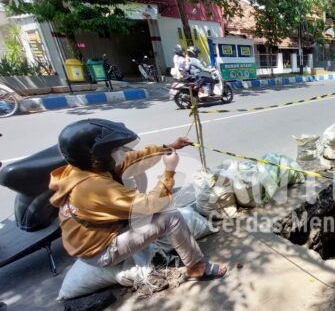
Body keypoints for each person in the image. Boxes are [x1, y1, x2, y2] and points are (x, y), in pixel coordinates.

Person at [49, 119, 227, 280]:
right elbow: (151, 205)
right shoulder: (94, 187)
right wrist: (169, 171)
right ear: (96, 156)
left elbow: (131, 160)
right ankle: (197, 268)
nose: (120, 153)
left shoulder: (84, 168)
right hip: (99, 251)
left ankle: (177, 248)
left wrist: (169, 147)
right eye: (114, 150)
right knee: (170, 217)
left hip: (95, 235)